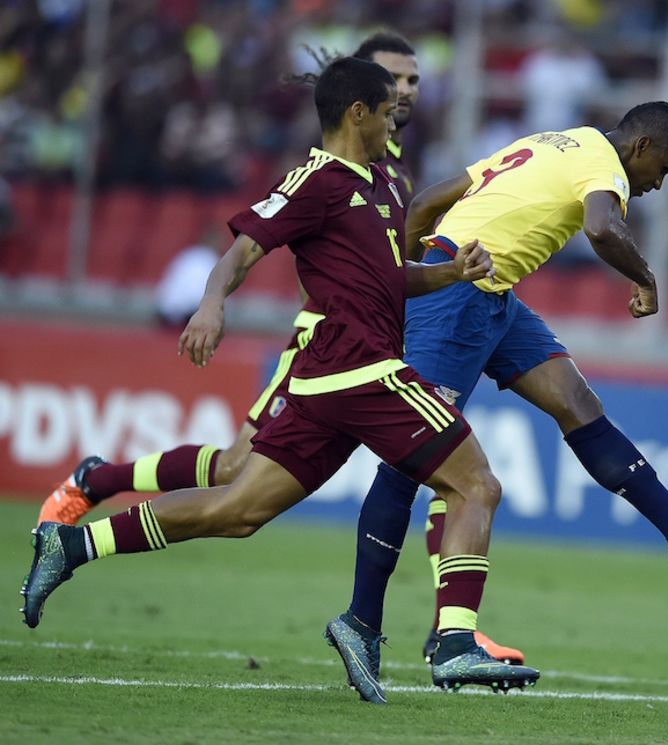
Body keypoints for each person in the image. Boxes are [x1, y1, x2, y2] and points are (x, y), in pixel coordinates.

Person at [20, 57, 540, 703]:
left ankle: (72, 543)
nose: (392, 122)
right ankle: (457, 641)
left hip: (330, 382)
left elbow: (390, 278)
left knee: (237, 508)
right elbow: (241, 250)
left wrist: (452, 273)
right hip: (362, 368)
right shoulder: (314, 180)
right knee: (476, 483)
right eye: (385, 112)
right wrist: (212, 304)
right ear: (359, 114)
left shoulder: (386, 182)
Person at [338, 102, 668, 666]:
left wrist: (411, 268)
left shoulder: (559, 141)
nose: (657, 186)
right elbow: (601, 227)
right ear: (641, 148)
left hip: (490, 294)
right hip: (458, 297)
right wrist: (645, 277)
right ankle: (361, 621)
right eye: (663, 170)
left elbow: (425, 202)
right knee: (409, 460)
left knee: (577, 402)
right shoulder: (605, 165)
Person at [35, 32, 422, 528]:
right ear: (361, 102)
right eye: (396, 79)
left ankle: (99, 482)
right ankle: (99, 483)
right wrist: (218, 303)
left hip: (369, 351)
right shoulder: (330, 172)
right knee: (238, 469)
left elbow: (387, 271)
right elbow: (283, 254)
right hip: (325, 343)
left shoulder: (395, 176)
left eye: (414, 79)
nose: (407, 89)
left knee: (236, 471)